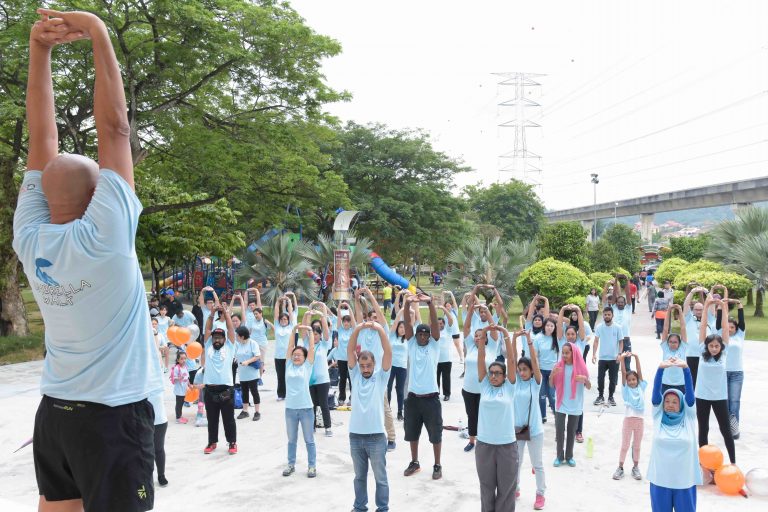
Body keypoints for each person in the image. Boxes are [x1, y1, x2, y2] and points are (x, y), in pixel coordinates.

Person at [13, 10, 163, 511]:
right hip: (112, 419)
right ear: (101, 192)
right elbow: (116, 129)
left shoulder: (30, 237)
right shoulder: (108, 236)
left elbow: (41, 142)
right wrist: (98, 31)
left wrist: (39, 51)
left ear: (43, 193)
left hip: (55, 415)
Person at [347, 321, 393, 512]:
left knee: (380, 478)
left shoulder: (381, 378)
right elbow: (350, 350)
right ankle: (359, 507)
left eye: (368, 365)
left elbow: (388, 352)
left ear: (374, 365)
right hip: (355, 437)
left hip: (376, 437)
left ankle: (382, 508)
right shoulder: (355, 376)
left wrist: (380, 329)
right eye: (362, 365)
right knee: (359, 477)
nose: (365, 368)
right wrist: (358, 328)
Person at [647, 359, 700, 512]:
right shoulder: (658, 417)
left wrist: (686, 369)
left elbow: (690, 396)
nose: (670, 404)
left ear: (681, 405)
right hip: (660, 481)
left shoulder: (688, 418)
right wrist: (660, 369)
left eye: (675, 402)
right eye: (667, 401)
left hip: (685, 482)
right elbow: (656, 395)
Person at [475, 324, 518, 512]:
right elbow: (481, 358)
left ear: (504, 376)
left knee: (506, 490)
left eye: (497, 373)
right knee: (486, 488)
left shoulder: (510, 387)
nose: (493, 376)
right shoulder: (484, 386)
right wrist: (483, 337)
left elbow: (512, 360)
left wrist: (505, 334)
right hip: (484, 444)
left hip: (507, 445)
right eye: (491, 373)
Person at [402, 294, 443, 479]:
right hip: (413, 399)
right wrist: (407, 303)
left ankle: (437, 464)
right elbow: (407, 323)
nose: (423, 336)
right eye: (421, 333)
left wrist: (430, 303)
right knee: (412, 433)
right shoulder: (411, 344)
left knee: (435, 434)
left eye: (426, 334)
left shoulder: (434, 346)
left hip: (431, 398)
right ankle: (414, 462)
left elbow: (434, 325)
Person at [695, 297, 735, 463]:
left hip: (719, 397)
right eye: (710, 346)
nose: (713, 348)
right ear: (706, 346)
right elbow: (703, 326)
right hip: (702, 396)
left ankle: (733, 462)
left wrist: (722, 307)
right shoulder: (701, 349)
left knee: (725, 430)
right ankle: (703, 463)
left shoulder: (724, 353)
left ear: (721, 347)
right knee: (703, 429)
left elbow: (725, 327)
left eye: (716, 346)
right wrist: (706, 307)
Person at [461, 294, 500, 452]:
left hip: (487, 389)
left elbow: (493, 326)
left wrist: (486, 310)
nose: (478, 338)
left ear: (486, 337)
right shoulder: (470, 346)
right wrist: (471, 310)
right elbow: (466, 327)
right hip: (469, 389)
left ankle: (486, 440)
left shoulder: (492, 347)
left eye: (481, 335)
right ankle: (472, 440)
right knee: (472, 416)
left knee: (487, 415)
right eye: (476, 336)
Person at [513, 332, 546, 510]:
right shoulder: (515, 383)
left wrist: (529, 341)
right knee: (516, 463)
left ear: (532, 370)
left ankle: (540, 494)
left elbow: (534, 359)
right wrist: (513, 338)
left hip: (534, 431)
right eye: (520, 369)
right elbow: (511, 361)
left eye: (525, 369)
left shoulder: (536, 383)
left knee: (537, 464)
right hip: (517, 430)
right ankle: (515, 488)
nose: (522, 372)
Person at [202, 301, 238, 455]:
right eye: (215, 337)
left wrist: (226, 313)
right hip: (210, 389)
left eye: (219, 338)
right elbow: (208, 328)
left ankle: (232, 443)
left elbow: (230, 329)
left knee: (228, 419)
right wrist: (211, 314)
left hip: (226, 390)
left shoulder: (230, 347)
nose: (217, 340)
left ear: (224, 339)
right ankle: (212, 442)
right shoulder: (208, 346)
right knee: (212, 419)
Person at [283, 323, 317, 478]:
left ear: (304, 358)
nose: (296, 356)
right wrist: (294, 330)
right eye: (294, 354)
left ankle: (312, 466)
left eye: (299, 355)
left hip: (306, 409)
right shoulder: (288, 365)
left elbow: (311, 349)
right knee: (292, 440)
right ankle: (291, 464)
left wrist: (309, 331)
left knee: (309, 440)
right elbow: (290, 346)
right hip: (290, 409)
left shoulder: (307, 366)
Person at [551, 340, 591, 467]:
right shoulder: (558, 366)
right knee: (559, 431)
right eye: (563, 353)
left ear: (573, 353)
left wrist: (584, 379)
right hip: (561, 403)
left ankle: (569, 457)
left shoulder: (581, 367)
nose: (564, 356)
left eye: (567, 353)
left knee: (571, 431)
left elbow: (589, 386)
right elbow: (551, 385)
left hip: (575, 404)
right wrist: (552, 374)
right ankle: (559, 456)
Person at [613, 352, 646, 481]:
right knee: (625, 445)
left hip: (640, 422)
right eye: (630, 380)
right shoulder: (626, 389)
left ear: (637, 380)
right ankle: (620, 467)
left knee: (637, 445)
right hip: (628, 421)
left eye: (634, 379)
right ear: (626, 381)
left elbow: (639, 370)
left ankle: (635, 467)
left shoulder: (641, 387)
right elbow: (623, 371)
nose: (632, 381)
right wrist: (622, 359)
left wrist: (636, 357)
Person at [716, 298, 745, 438]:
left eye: (732, 327)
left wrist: (738, 304)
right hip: (722, 372)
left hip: (737, 373)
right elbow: (718, 321)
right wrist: (721, 305)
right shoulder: (721, 336)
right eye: (727, 327)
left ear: (736, 328)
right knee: (724, 401)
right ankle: (726, 428)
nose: (730, 329)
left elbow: (741, 319)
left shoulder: (740, 335)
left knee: (734, 401)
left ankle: (734, 428)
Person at [303, 305, 333, 437]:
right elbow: (305, 329)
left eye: (316, 334)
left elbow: (326, 330)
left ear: (320, 335)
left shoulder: (324, 344)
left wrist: (322, 314)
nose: (314, 336)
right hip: (309, 379)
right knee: (312, 405)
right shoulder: (306, 344)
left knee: (324, 404)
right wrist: (307, 313)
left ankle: (328, 427)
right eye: (312, 334)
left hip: (322, 380)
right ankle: (312, 426)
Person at [592, 306, 624, 407]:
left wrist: (619, 354)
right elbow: (596, 341)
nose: (607, 316)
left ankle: (611, 397)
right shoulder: (599, 327)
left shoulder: (618, 327)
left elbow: (621, 342)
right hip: (602, 358)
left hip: (614, 358)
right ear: (603, 316)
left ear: (612, 315)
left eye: (609, 314)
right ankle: (600, 396)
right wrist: (593, 354)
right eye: (605, 314)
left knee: (613, 379)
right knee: (600, 378)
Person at [683, 286, 713, 384]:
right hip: (691, 354)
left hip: (706, 354)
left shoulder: (709, 318)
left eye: (701, 310)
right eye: (696, 309)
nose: (698, 312)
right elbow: (686, 305)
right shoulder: (688, 318)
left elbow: (712, 305)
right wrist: (692, 292)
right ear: (693, 310)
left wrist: (707, 292)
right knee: (692, 381)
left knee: (704, 380)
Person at [234, 325, 261, 421]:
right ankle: (245, 411)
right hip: (242, 373)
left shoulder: (252, 343)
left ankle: (257, 411)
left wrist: (247, 362)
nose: (236, 337)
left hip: (252, 373)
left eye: (237, 335)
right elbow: (236, 354)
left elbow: (257, 356)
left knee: (254, 391)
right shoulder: (238, 344)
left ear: (242, 336)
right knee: (244, 392)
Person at [535, 318, 559, 422]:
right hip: (541, 370)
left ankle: (556, 415)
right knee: (542, 395)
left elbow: (560, 355)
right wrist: (537, 370)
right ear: (544, 326)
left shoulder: (557, 338)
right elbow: (535, 355)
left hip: (553, 372)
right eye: (547, 325)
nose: (549, 328)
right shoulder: (538, 337)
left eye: (552, 326)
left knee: (552, 395)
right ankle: (542, 416)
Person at [660, 305, 688, 394]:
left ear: (679, 343)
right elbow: (665, 329)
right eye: (671, 342)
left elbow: (683, 328)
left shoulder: (682, 348)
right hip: (665, 382)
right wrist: (668, 310)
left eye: (675, 342)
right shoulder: (665, 348)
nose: (672, 344)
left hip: (681, 383)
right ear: (668, 342)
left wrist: (680, 310)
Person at [388, 310, 409, 422]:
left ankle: (400, 412)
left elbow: (414, 320)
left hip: (402, 367)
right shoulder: (392, 336)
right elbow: (395, 322)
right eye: (401, 327)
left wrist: (410, 310)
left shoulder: (408, 339)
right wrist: (401, 311)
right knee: (388, 388)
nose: (402, 329)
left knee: (400, 390)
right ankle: (387, 410)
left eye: (404, 328)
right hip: (391, 367)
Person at [274, 296, 295, 401]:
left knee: (289, 376)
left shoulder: (291, 326)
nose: (283, 320)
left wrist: (289, 301)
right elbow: (276, 313)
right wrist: (278, 302)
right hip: (278, 356)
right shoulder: (277, 326)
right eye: (282, 319)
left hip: (289, 356)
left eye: (285, 319)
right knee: (280, 376)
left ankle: (290, 394)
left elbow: (290, 314)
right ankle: (281, 394)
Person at [336, 302, 356, 406]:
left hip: (351, 359)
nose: (346, 323)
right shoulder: (340, 330)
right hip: (341, 359)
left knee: (351, 378)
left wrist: (349, 307)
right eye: (345, 322)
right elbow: (339, 317)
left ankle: (353, 397)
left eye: (348, 322)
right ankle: (341, 398)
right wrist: (339, 307)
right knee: (342, 379)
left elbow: (353, 319)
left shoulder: (353, 330)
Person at [147, 390, 169, 488]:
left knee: (158, 449)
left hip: (160, 421)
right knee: (145, 451)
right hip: (144, 421)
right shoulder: (138, 386)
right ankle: (146, 477)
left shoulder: (158, 384)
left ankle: (161, 475)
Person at [436, 308, 458, 401]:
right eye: (438, 324)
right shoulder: (434, 331)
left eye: (441, 323)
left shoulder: (448, 330)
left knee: (446, 378)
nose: (439, 325)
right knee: (435, 377)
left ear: (444, 324)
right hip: (436, 359)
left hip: (446, 359)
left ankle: (447, 394)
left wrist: (444, 309)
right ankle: (435, 393)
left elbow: (451, 320)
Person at [170, 352, 190, 424]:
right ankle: (178, 418)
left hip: (184, 390)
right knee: (179, 404)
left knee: (181, 403)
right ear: (178, 360)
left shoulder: (185, 367)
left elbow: (187, 378)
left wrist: (189, 384)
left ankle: (180, 416)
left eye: (185, 358)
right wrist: (179, 378)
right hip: (178, 390)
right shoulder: (176, 368)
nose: (183, 360)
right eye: (181, 359)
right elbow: (173, 379)